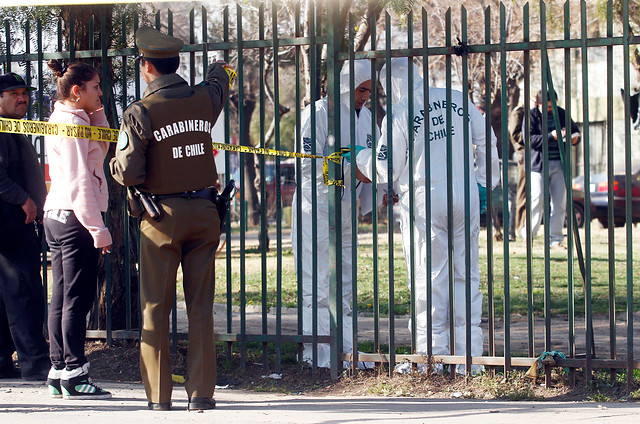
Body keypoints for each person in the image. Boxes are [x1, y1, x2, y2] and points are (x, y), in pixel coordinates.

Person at [351, 58, 500, 375]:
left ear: (389, 85)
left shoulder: (401, 112)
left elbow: (386, 168)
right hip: (465, 193)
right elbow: (487, 138)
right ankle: (468, 362)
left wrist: (360, 156)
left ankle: (431, 359)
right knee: (466, 277)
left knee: (428, 279)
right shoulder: (456, 97)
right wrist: (485, 183)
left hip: (423, 198)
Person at [109, 26, 229, 411]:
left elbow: (128, 173)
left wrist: (113, 163)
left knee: (156, 308)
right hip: (206, 214)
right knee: (201, 308)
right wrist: (217, 67)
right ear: (176, 64)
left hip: (161, 218)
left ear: (145, 67)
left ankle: (160, 398)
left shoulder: (141, 112)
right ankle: (202, 394)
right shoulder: (204, 100)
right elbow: (218, 84)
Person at [291, 59, 377, 369]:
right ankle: (317, 352)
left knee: (344, 279)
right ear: (346, 86)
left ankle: (345, 350)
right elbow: (306, 163)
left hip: (346, 211)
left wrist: (372, 196)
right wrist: (343, 167)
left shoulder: (367, 118)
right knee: (316, 280)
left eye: (368, 91)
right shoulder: (316, 114)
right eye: (360, 90)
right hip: (316, 207)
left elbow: (375, 159)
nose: (364, 96)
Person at [43, 60, 112, 400]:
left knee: (62, 297)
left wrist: (96, 108)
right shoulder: (71, 124)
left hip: (58, 215)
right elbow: (80, 180)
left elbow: (102, 146)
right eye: (95, 87)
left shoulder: (69, 118)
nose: (101, 92)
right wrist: (97, 228)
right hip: (75, 217)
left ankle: (59, 370)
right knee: (76, 298)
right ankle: (74, 372)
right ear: (76, 90)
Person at [0, 72, 50, 381]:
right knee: (24, 291)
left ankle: (3, 361)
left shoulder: (13, 128)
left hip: (14, 221)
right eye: (14, 93)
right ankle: (36, 364)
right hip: (10, 222)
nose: (23, 98)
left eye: (25, 93)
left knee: (8, 293)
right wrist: (25, 200)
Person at [519, 90, 580, 247]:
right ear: (538, 104)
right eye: (546, 107)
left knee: (560, 203)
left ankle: (556, 240)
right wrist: (552, 135)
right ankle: (529, 235)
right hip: (538, 165)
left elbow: (575, 131)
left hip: (559, 164)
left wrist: (575, 138)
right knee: (537, 199)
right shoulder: (531, 116)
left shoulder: (561, 113)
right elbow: (529, 140)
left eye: (552, 106)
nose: (549, 109)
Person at [508, 105, 525, 240]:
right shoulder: (518, 112)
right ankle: (519, 227)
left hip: (539, 156)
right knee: (521, 194)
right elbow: (514, 134)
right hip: (523, 156)